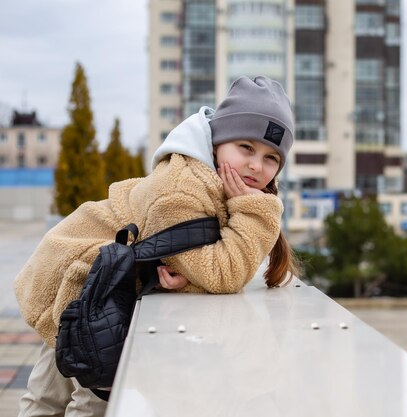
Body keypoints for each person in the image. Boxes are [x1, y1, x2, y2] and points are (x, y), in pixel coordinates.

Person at [14, 75, 299, 417]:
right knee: (91, 401)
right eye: (246, 148)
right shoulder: (184, 189)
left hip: (90, 279)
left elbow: (202, 260)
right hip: (83, 283)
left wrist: (190, 275)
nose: (256, 165)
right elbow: (224, 272)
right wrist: (258, 213)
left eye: (271, 158)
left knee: (48, 396)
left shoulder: (213, 182)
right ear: (217, 142)